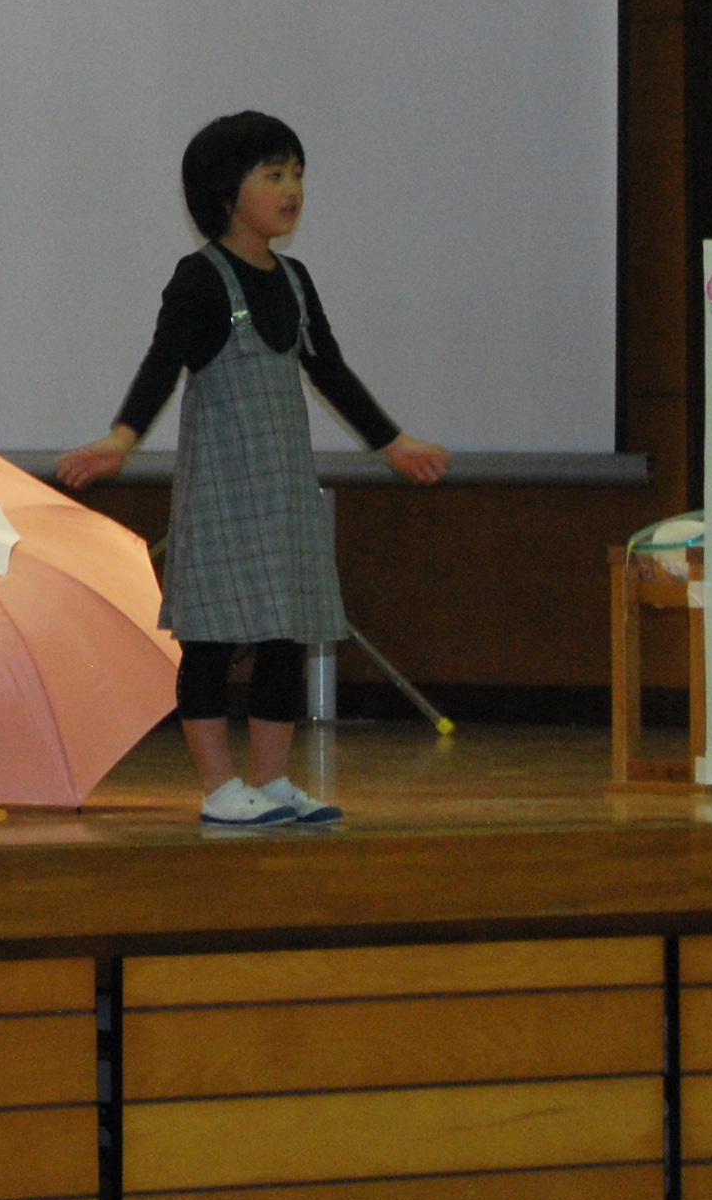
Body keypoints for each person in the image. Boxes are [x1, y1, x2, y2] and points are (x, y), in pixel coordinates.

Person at [58, 111, 449, 829]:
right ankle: (218, 788)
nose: (291, 188)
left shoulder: (294, 281)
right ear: (225, 192)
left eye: (297, 173)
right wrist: (121, 437)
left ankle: (272, 780)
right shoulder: (201, 279)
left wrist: (393, 443)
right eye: (273, 174)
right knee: (210, 641)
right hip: (222, 495)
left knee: (284, 638)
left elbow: (330, 371)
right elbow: (162, 363)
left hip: (284, 493)